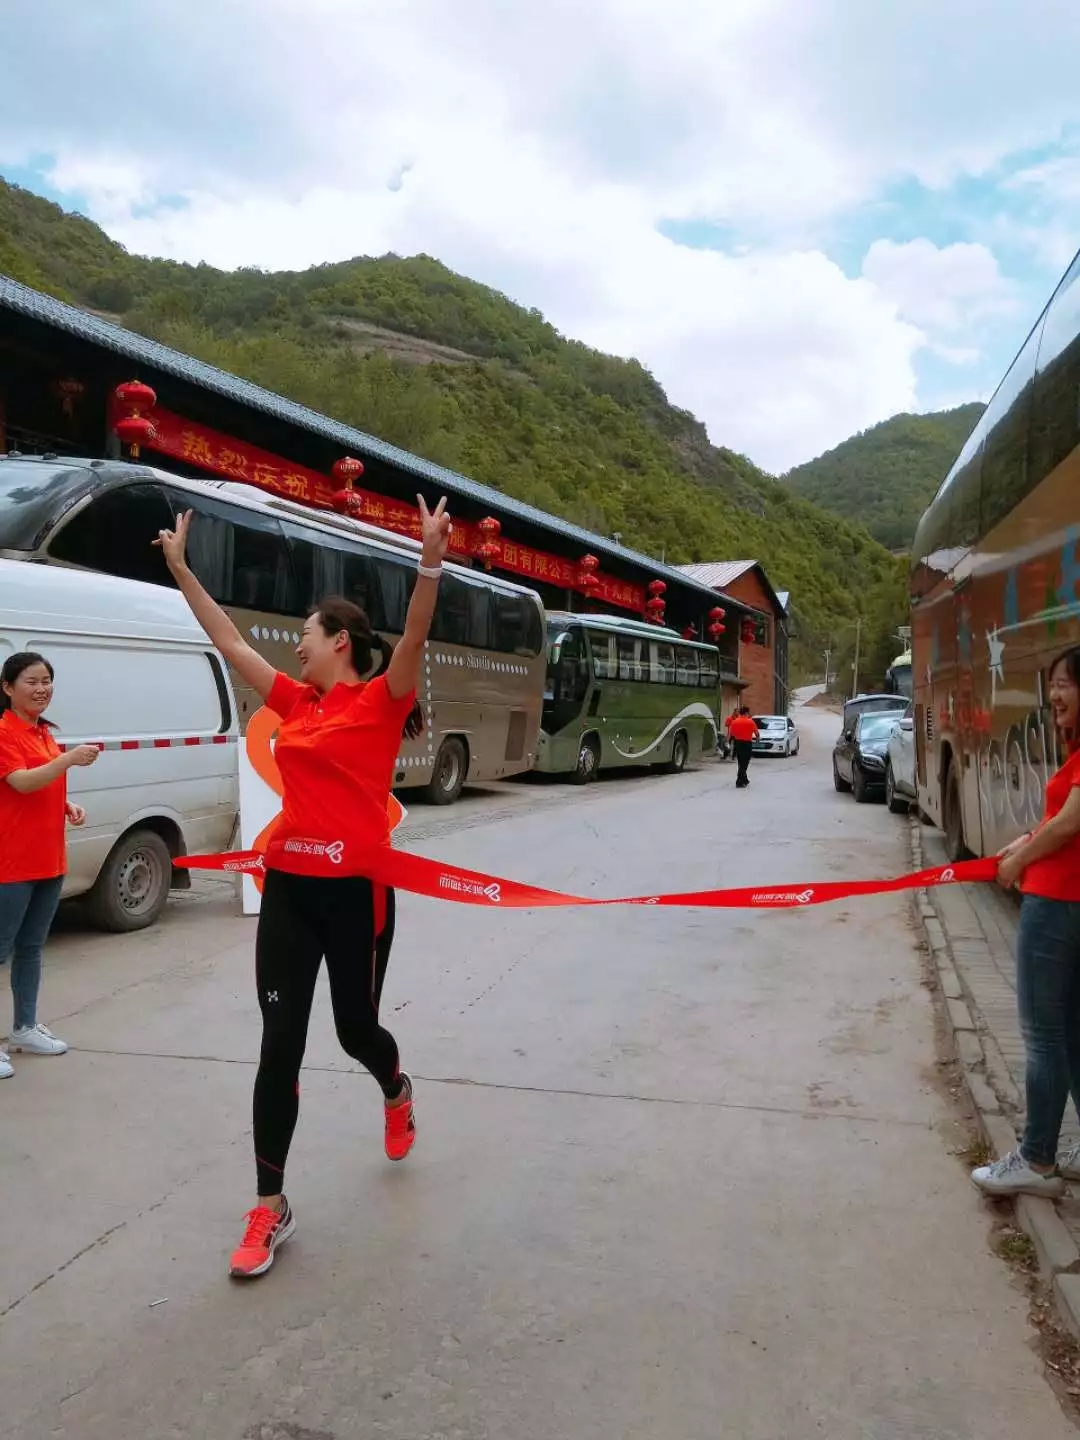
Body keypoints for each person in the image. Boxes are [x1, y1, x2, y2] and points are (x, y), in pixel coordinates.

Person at [155, 495, 453, 1279]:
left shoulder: (380, 702)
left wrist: (429, 561)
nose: (296, 644)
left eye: (306, 634)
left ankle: (395, 1087)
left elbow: (414, 636)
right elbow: (228, 641)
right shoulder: (298, 703)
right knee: (279, 1044)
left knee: (355, 1031)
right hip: (290, 889)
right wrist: (182, 571)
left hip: (356, 895)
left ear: (340, 641)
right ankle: (269, 1206)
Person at [973, 645, 1080, 1198]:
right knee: (1072, 1032)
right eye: (1052, 684)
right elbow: (1057, 822)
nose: (1054, 695)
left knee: (1043, 1036)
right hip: (1068, 902)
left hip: (1057, 905)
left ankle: (1037, 1160)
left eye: (1065, 684)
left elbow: (1069, 824)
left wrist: (1018, 862)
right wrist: (1022, 842)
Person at [0, 652, 96, 1079]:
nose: (41, 689)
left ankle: (24, 1028)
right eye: (31, 681)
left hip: (48, 860)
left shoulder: (43, 733)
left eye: (46, 681)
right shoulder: (4, 732)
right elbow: (20, 782)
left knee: (31, 948)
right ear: (7, 688)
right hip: (11, 864)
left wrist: (65, 803)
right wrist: (68, 759)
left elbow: (39, 782)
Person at [728, 707, 759, 789]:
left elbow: (732, 734)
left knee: (740, 761)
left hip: (738, 743)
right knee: (745, 762)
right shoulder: (750, 722)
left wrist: (730, 742)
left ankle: (745, 779)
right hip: (747, 744)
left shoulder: (734, 722)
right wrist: (757, 740)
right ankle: (739, 781)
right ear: (746, 713)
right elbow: (756, 733)